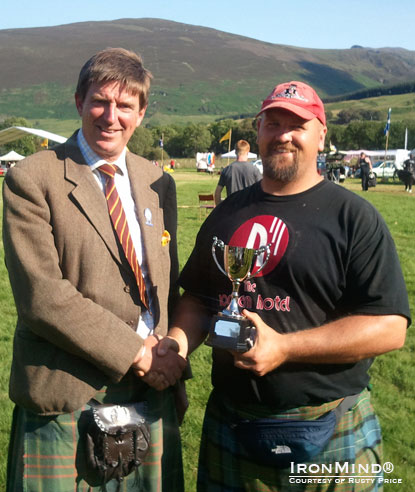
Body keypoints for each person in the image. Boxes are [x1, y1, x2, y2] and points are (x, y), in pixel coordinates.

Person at [157, 81, 410, 491]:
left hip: (328, 422)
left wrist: (285, 348)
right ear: (258, 132)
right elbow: (199, 299)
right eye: (272, 123)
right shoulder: (227, 214)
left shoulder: (354, 218)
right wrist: (178, 345)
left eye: (297, 125)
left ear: (321, 135)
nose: (283, 135)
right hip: (232, 418)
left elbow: (390, 326)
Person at [3, 48, 187, 491]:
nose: (111, 116)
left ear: (140, 114)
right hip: (67, 395)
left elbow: (166, 285)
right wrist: (139, 354)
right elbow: (43, 297)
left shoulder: (157, 181)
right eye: (100, 101)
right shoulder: (33, 177)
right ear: (78, 101)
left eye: (125, 106)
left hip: (151, 391)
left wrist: (172, 364)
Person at [214, 139, 262, 205]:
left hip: (232, 211)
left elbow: (217, 193)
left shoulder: (227, 170)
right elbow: (262, 191)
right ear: (248, 152)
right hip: (249, 210)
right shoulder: (254, 170)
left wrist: (219, 210)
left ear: (235, 152)